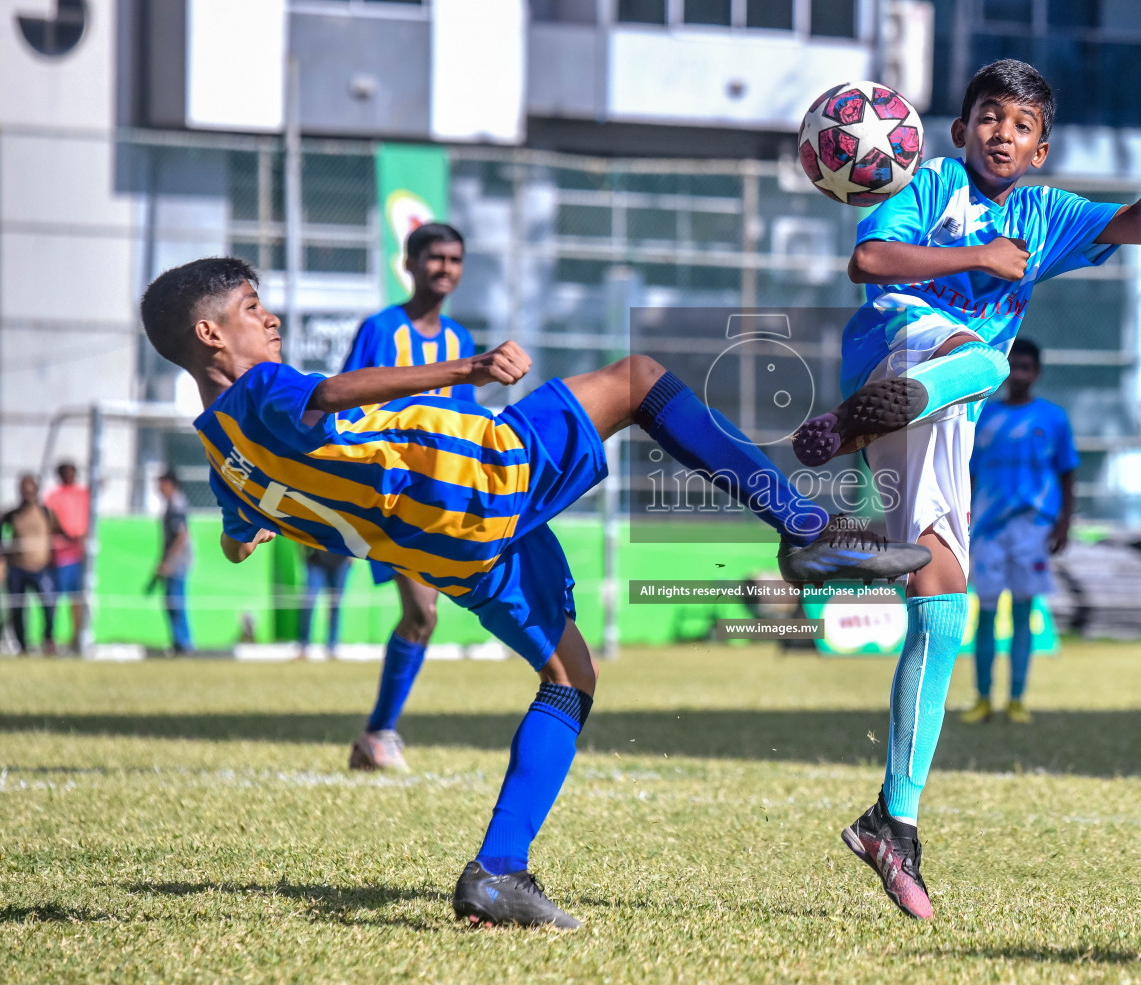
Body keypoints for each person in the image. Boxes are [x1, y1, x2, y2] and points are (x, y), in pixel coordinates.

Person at [138, 256, 928, 929]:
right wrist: (467, 369)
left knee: (571, 677)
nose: (268, 318)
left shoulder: (221, 456)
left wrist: (259, 530)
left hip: (452, 555)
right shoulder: (260, 390)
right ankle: (807, 526)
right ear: (210, 336)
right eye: (251, 308)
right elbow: (329, 394)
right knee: (637, 379)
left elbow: (238, 538)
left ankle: (498, 872)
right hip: (474, 480)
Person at [793, 59, 1141, 921]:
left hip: (941, 412)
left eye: (1019, 124)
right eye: (987, 117)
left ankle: (891, 821)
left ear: (1040, 149)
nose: (1001, 132)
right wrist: (974, 254)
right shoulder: (930, 181)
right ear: (958, 131)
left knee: (942, 608)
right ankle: (856, 428)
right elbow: (869, 257)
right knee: (991, 355)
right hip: (901, 354)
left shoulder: (1046, 215)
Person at [339, 223, 480, 772]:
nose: (445, 268)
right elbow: (346, 400)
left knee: (423, 618)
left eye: (455, 259)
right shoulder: (381, 328)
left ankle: (376, 734)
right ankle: (380, 733)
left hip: (436, 494)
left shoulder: (460, 341)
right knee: (422, 610)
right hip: (384, 493)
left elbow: (464, 420)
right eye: (435, 258)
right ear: (411, 263)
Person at [960, 338, 1077, 725]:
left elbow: (1067, 472)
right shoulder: (984, 417)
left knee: (1025, 611)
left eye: (1028, 367)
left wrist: (1064, 522)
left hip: (1033, 528)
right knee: (987, 612)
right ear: (1006, 371)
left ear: (1037, 372)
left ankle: (1016, 698)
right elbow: (968, 473)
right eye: (1016, 367)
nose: (1021, 375)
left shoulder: (1053, 419)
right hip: (989, 528)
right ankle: (981, 698)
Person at [1, 474, 61, 655]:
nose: (27, 494)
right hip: (17, 569)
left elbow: (59, 533)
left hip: (41, 568)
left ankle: (48, 640)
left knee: (49, 605)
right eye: (23, 490)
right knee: (17, 609)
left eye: (30, 490)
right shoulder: (12, 514)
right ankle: (22, 646)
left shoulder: (46, 513)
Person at [45, 461, 89, 652]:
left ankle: (78, 636)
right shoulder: (53, 497)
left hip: (79, 556)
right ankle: (50, 637)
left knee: (77, 599)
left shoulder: (83, 494)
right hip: (60, 555)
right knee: (54, 599)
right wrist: (67, 536)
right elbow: (51, 522)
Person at [153, 469, 194, 654]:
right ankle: (179, 642)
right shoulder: (171, 503)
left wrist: (168, 561)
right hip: (174, 562)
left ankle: (183, 644)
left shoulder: (176, 504)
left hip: (178, 563)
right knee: (171, 602)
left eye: (161, 484)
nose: (158, 488)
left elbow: (181, 536)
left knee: (176, 602)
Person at [299, 546, 353, 657]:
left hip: (340, 561)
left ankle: (332, 647)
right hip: (315, 560)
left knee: (335, 606)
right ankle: (304, 645)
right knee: (308, 603)